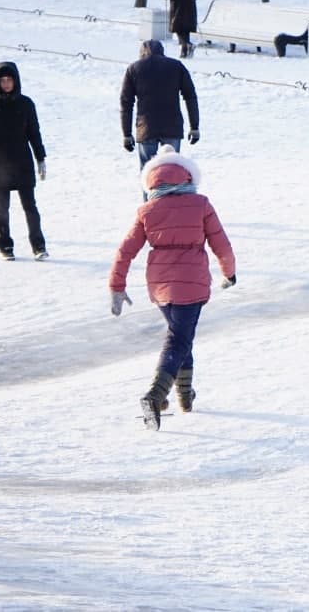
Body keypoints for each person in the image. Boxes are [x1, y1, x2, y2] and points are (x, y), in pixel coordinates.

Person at [109, 144, 237, 431]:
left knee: (181, 335)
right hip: (192, 284)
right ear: (187, 176)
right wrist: (229, 274)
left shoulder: (147, 210)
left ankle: (184, 397)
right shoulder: (201, 204)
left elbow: (125, 251)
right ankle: (155, 395)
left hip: (161, 286)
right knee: (179, 339)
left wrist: (116, 285)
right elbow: (222, 244)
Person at [0, 61, 48, 261]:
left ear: (16, 80)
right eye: (2, 80)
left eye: (10, 79)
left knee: (30, 207)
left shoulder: (26, 104)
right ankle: (5, 246)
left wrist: (40, 158)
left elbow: (34, 133)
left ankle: (38, 246)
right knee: (2, 209)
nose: (6, 83)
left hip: (22, 162)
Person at [120, 39, 200, 184]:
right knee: (172, 170)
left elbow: (126, 103)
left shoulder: (134, 69)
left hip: (146, 128)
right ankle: (172, 203)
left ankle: (150, 205)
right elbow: (190, 96)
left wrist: (126, 134)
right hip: (172, 127)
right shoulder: (176, 66)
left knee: (148, 173)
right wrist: (194, 127)